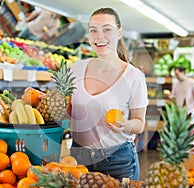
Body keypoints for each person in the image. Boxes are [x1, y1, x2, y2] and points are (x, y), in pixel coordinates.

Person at [67, 7, 148, 181]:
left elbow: (139, 123)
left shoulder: (133, 76)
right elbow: (69, 110)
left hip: (117, 160)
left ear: (119, 33)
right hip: (79, 156)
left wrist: (124, 125)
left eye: (107, 29)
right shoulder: (76, 69)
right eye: (93, 30)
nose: (99, 36)